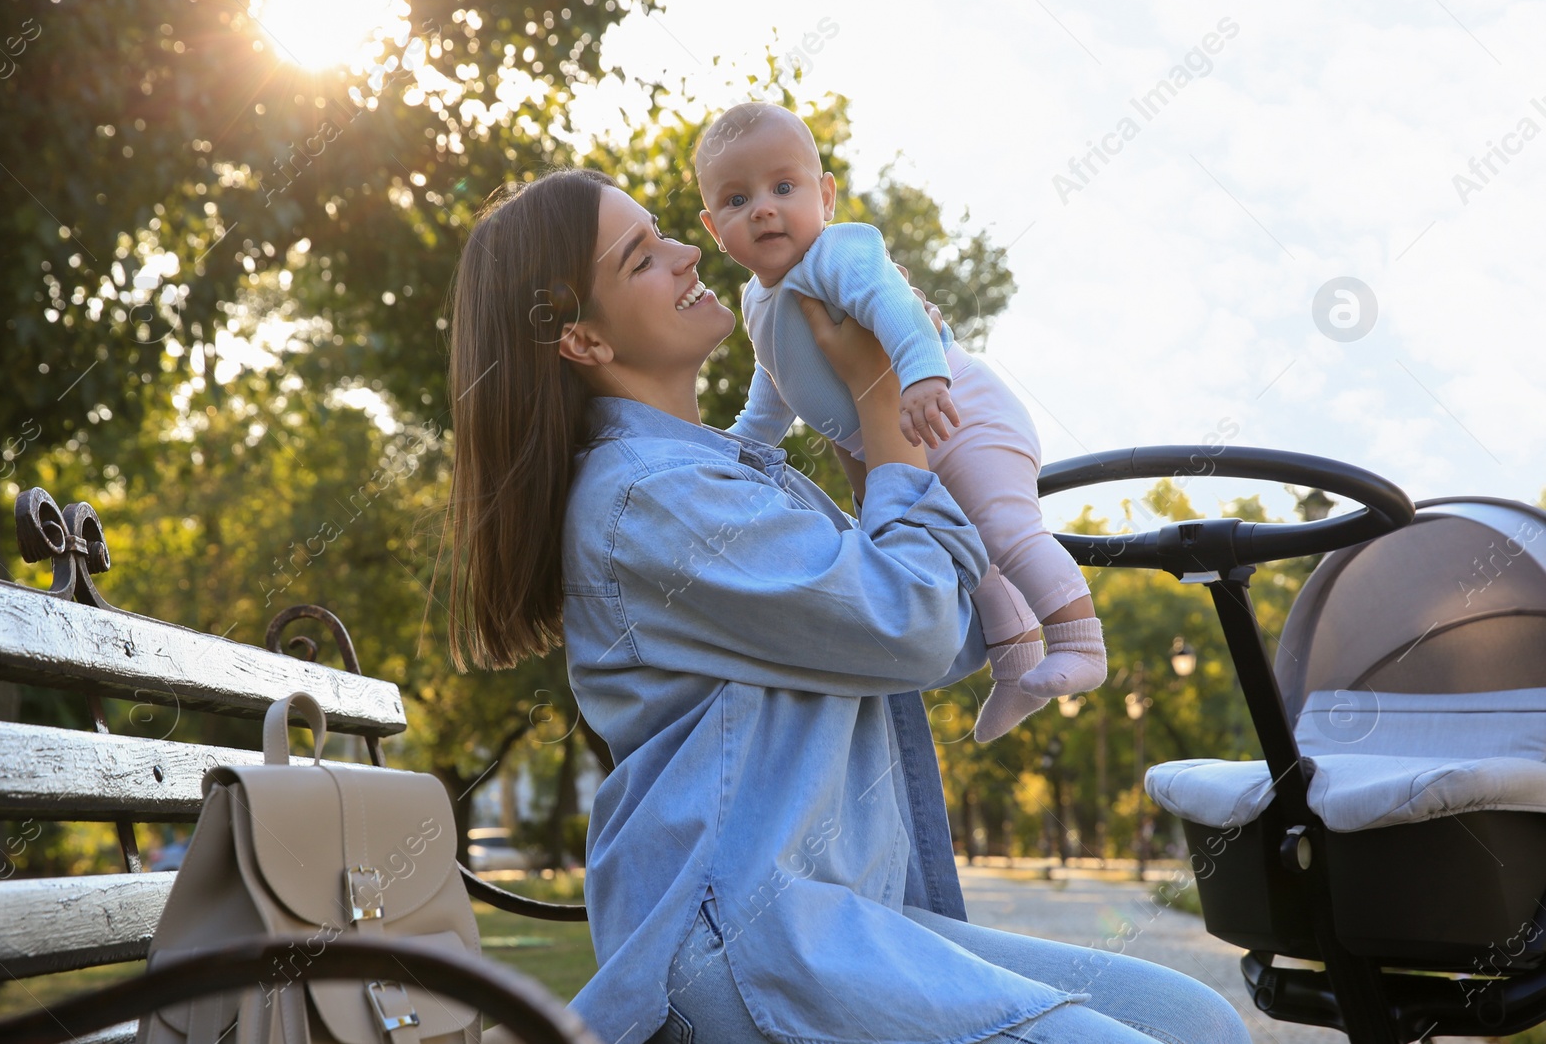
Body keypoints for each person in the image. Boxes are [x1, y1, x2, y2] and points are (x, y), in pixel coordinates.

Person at [444, 167, 1251, 1044]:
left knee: (1200, 1018)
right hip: (749, 937)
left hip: (832, 916)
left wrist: (953, 462)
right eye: (642, 257)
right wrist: (879, 398)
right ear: (582, 341)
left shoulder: (727, 472)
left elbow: (934, 636)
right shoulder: (651, 497)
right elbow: (909, 626)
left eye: (664, 232)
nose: (686, 253)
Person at [694, 103, 1107, 742]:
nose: (763, 209)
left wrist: (921, 375)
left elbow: (893, 305)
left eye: (783, 188)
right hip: (905, 443)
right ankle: (1017, 662)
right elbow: (773, 384)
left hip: (957, 411)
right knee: (975, 558)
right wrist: (743, 448)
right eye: (736, 198)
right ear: (713, 228)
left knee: (1004, 528)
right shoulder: (757, 299)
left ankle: (1080, 642)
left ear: (824, 195)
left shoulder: (837, 253)